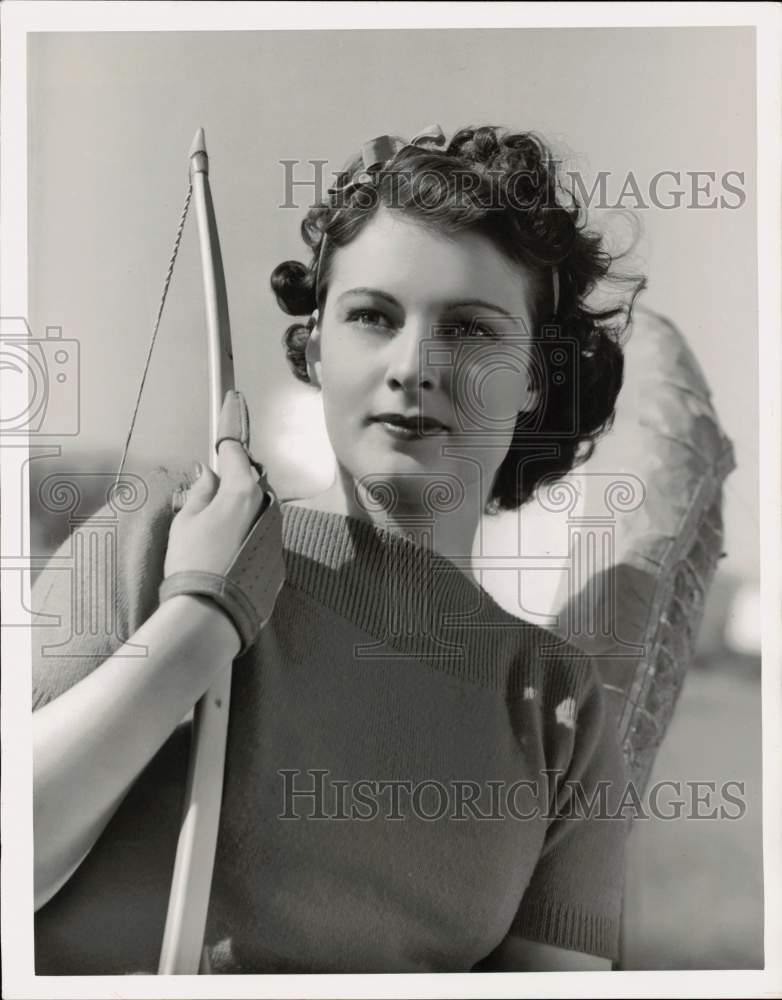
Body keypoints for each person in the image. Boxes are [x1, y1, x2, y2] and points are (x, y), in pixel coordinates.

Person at [31, 124, 643, 974]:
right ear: (317, 345)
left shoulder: (557, 705)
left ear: (535, 373)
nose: (412, 364)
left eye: (468, 331)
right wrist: (197, 618)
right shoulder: (165, 535)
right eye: (372, 317)